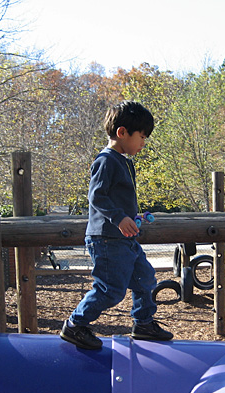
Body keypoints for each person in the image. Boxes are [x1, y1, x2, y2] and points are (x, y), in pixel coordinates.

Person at [60, 101, 173, 350]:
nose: (143, 142)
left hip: (123, 238)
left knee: (145, 278)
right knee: (111, 290)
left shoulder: (124, 161)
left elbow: (117, 198)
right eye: (141, 136)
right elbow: (97, 196)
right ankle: (75, 324)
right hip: (107, 238)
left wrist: (132, 216)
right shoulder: (106, 160)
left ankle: (143, 323)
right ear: (122, 133)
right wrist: (119, 218)